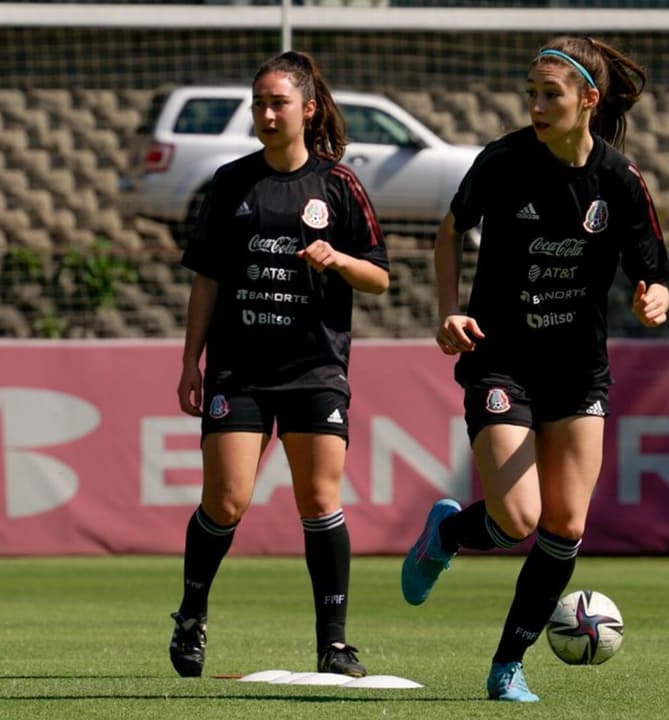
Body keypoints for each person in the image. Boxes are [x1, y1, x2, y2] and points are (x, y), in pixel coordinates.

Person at [400, 36, 669, 702]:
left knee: (566, 527)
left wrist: (654, 298)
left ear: (588, 99)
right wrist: (447, 311)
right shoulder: (503, 161)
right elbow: (449, 230)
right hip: (500, 362)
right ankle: (448, 533)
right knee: (519, 518)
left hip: (579, 373)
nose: (535, 104)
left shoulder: (618, 180)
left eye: (549, 93)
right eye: (531, 92)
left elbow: (656, 270)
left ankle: (507, 666)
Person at [169, 50, 389, 679]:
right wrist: (191, 362)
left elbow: (379, 277)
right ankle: (191, 614)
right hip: (238, 371)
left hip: (315, 369)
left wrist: (338, 261)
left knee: (320, 499)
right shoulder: (231, 182)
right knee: (227, 502)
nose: (266, 114)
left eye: (278, 103)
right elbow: (206, 282)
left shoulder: (339, 185)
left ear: (308, 109)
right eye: (258, 103)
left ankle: (335, 643)